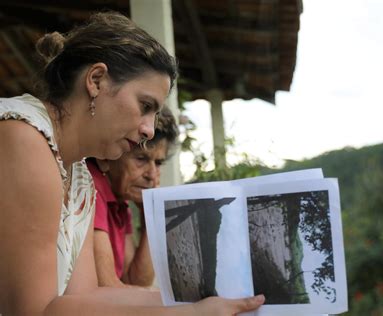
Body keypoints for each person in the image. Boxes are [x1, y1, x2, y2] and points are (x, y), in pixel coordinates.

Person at [0, 11, 264, 315]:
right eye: (145, 106)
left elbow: (84, 295)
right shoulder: (23, 138)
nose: (149, 130)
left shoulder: (80, 178)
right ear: (96, 80)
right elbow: (34, 310)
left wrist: (205, 301)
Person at [88, 106, 178, 288]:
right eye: (141, 159)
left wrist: (150, 215)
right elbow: (108, 289)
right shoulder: (92, 185)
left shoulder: (120, 202)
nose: (152, 174)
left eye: (158, 163)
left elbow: (136, 281)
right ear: (110, 155)